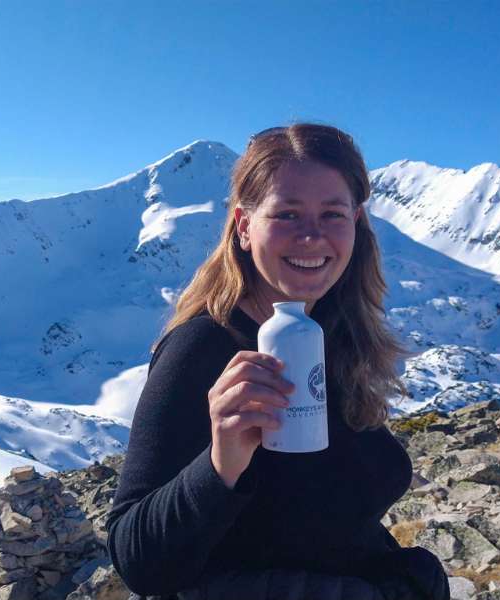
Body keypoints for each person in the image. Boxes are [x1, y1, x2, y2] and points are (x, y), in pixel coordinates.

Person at [105, 123, 450, 600]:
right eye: (287, 214)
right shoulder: (203, 346)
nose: (311, 236)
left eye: (333, 214)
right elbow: (138, 562)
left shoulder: (335, 331)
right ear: (245, 227)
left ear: (357, 222)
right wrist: (221, 463)